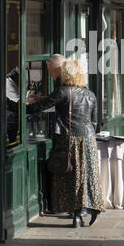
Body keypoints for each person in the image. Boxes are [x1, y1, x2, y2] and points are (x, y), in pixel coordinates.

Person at [27, 57, 104, 227]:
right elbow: (94, 122)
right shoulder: (90, 94)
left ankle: (76, 216)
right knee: (86, 176)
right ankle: (92, 207)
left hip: (68, 139)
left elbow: (34, 108)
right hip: (88, 139)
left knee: (68, 177)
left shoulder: (62, 91)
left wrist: (14, 105)